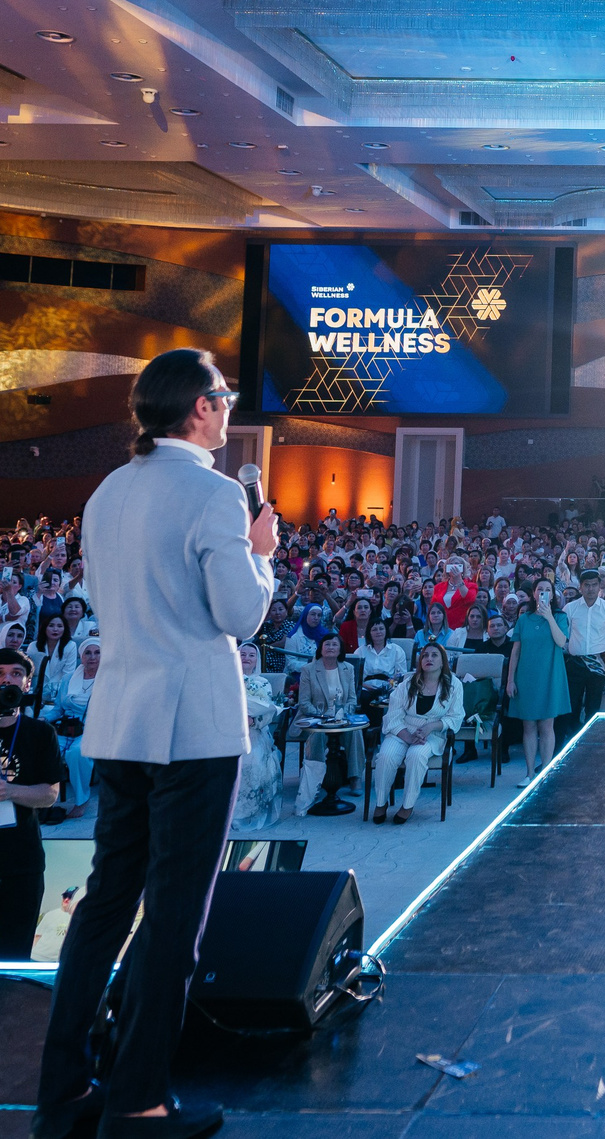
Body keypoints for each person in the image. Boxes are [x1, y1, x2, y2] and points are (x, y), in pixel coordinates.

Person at [37, 347, 276, 1139]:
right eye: (225, 395)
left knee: (105, 903)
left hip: (122, 720)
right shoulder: (212, 495)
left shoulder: (106, 491)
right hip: (193, 728)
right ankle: (138, 1097)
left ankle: (66, 1088)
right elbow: (239, 615)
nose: (230, 406)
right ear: (200, 408)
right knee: (174, 914)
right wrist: (264, 558)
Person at [0, 647, 62, 959]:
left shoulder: (41, 733)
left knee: (13, 957)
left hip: (20, 863)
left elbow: (50, 795)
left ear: (27, 684)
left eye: (15, 674)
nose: (6, 680)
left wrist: (9, 791)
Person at [370, 641, 465, 825]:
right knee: (386, 756)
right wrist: (407, 736)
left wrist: (431, 727)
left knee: (416, 756)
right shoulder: (407, 684)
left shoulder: (453, 685)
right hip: (403, 731)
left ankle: (407, 805)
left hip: (433, 734)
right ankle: (381, 802)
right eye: (425, 655)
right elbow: (393, 715)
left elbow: (456, 717)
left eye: (434, 655)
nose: (429, 658)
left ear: (442, 661)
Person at [290, 632, 363, 816]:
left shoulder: (347, 668)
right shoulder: (309, 669)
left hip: (341, 716)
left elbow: (352, 699)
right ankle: (316, 781)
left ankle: (355, 777)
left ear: (340, 650)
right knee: (318, 734)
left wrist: (343, 712)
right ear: (321, 648)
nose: (330, 647)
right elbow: (304, 702)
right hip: (316, 717)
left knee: (355, 732)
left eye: (334, 645)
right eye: (327, 644)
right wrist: (323, 715)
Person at [507, 579, 572, 782]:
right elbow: (515, 651)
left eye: (547, 590)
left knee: (546, 725)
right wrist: (510, 680)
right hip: (526, 676)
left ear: (552, 595)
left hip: (550, 675)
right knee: (529, 726)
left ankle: (545, 772)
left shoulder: (560, 617)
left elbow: (562, 642)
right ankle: (529, 773)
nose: (543, 593)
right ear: (534, 594)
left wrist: (549, 617)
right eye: (540, 589)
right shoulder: (524, 619)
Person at [230, 641, 284, 832]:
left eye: (251, 655)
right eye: (242, 654)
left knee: (252, 760)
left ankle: (250, 812)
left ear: (257, 661)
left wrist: (253, 721)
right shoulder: (226, 680)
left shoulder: (263, 683)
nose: (246, 658)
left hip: (255, 732)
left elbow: (268, 711)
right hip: (228, 733)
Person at [48, 641, 101, 819]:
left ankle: (81, 801)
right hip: (67, 727)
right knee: (44, 746)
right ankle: (43, 797)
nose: (92, 657)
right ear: (81, 656)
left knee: (77, 752)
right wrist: (41, 721)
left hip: (93, 728)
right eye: (88, 653)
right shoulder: (68, 678)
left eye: (97, 652)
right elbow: (57, 709)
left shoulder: (108, 679)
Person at [562, 567, 605, 733]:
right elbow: (565, 636)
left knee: (593, 705)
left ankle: (590, 738)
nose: (591, 589)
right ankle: (573, 737)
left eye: (594, 584)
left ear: (600, 585)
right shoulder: (570, 609)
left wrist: (598, 653)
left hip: (597, 663)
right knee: (573, 703)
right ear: (580, 587)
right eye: (587, 585)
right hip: (575, 662)